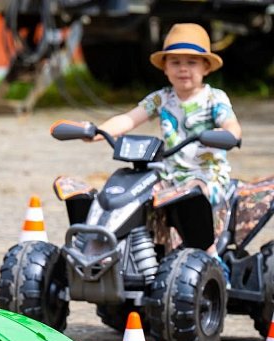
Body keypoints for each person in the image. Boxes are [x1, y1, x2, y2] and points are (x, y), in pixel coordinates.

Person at [93, 23, 242, 262]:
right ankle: (132, 250)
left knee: (193, 194)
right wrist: (98, 131)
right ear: (165, 68)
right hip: (168, 174)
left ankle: (210, 255)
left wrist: (229, 134)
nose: (183, 69)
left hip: (206, 174)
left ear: (206, 67)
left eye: (191, 62)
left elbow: (231, 124)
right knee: (136, 193)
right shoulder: (162, 98)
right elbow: (129, 119)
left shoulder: (214, 99)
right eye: (175, 62)